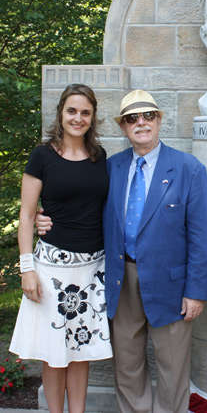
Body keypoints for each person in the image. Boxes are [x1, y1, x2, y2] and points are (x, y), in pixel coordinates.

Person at [37, 89, 207, 413]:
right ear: (122, 127)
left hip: (171, 285)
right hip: (120, 279)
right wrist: (42, 217)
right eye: (132, 118)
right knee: (127, 366)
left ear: (159, 121)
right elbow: (79, 203)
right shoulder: (109, 167)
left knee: (173, 367)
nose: (141, 123)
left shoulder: (189, 169)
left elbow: (201, 236)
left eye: (148, 116)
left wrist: (196, 291)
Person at [10, 84, 112, 413]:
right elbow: (27, 215)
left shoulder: (100, 157)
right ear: (61, 113)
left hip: (91, 269)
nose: (78, 118)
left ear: (93, 116)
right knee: (54, 353)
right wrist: (26, 268)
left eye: (85, 112)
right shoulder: (42, 156)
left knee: (80, 350)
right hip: (52, 268)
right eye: (72, 111)